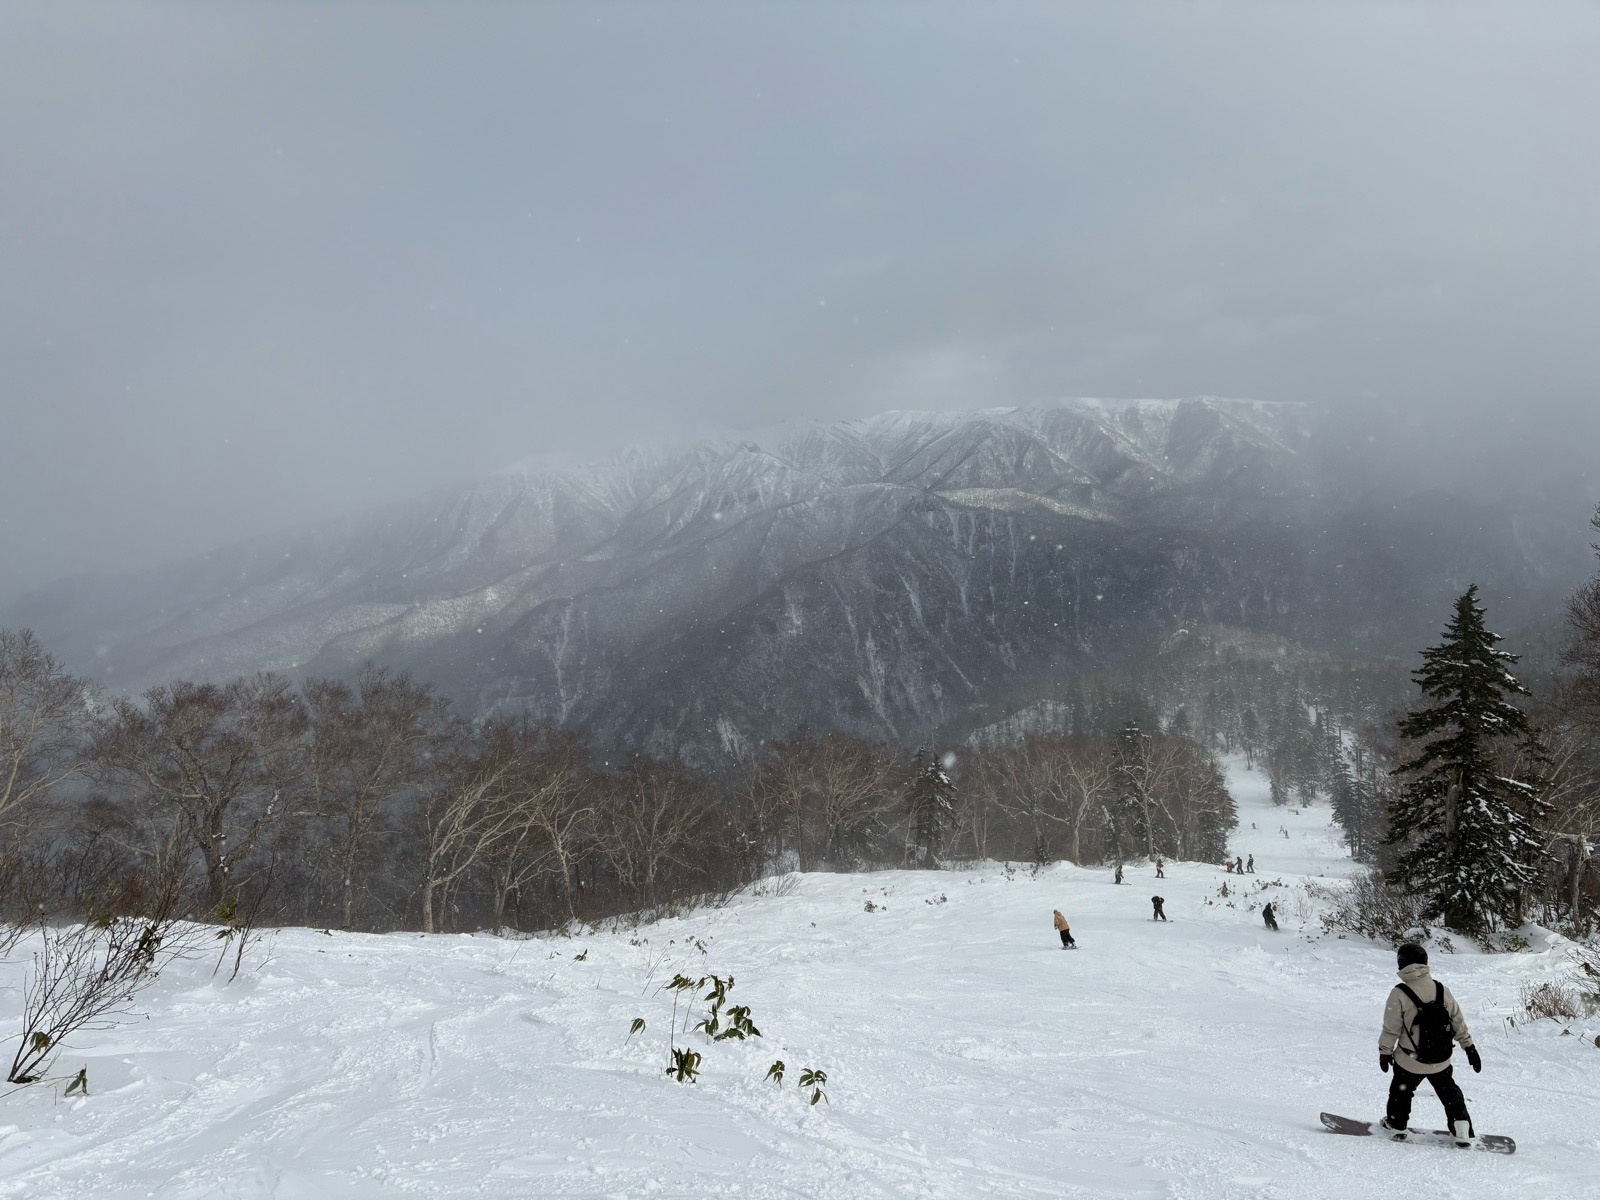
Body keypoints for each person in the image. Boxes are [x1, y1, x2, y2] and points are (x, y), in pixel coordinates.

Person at [1378, 942, 1480, 1145]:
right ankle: (1461, 1128)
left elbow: (1391, 1029)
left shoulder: (1399, 993)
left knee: (1401, 1090)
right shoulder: (1442, 990)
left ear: (1401, 963)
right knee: (1449, 1092)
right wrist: (1469, 1047)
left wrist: (1385, 1052)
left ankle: (1397, 1126)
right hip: (1440, 1060)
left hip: (1410, 1060)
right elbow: (1458, 1022)